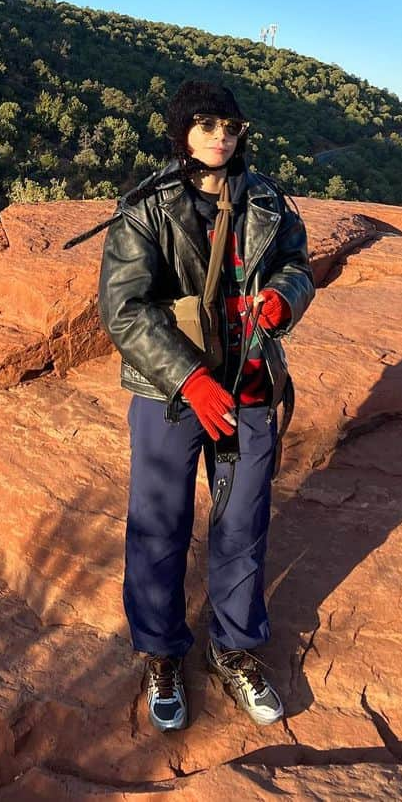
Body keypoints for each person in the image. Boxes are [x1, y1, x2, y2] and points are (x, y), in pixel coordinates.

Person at [98, 79, 315, 732]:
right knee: (160, 524)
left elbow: (297, 264)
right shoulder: (146, 205)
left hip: (248, 379)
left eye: (230, 125)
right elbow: (123, 306)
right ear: (182, 133)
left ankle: (234, 647)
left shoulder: (268, 200)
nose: (221, 135)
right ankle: (162, 652)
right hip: (170, 390)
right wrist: (189, 377)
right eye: (206, 124)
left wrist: (284, 297)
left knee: (244, 520)